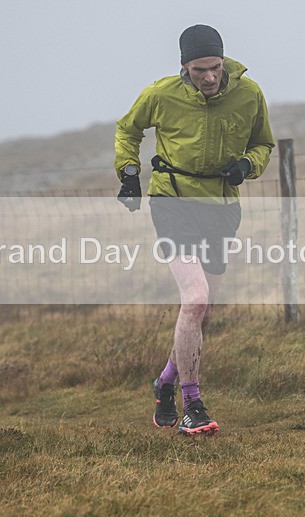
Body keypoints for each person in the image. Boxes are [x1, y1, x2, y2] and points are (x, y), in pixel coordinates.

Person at [114, 24, 274, 435]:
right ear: (184, 67)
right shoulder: (160, 94)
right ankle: (193, 403)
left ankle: (164, 382)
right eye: (200, 69)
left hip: (221, 205)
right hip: (172, 200)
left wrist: (246, 166)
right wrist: (129, 174)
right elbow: (127, 129)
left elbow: (263, 145)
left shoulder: (249, 94)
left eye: (215, 68)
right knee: (196, 297)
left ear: (224, 62)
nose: (209, 77)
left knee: (202, 314)